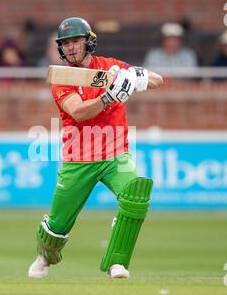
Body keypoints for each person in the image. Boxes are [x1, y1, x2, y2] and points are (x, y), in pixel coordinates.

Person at [28, 17, 163, 279]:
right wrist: (110, 95)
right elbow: (78, 112)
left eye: (76, 41)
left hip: (115, 154)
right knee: (56, 227)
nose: (71, 48)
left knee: (135, 196)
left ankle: (117, 262)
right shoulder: (62, 77)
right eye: (66, 43)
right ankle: (45, 255)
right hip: (78, 157)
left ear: (89, 41)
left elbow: (158, 80)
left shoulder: (111, 66)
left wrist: (133, 76)